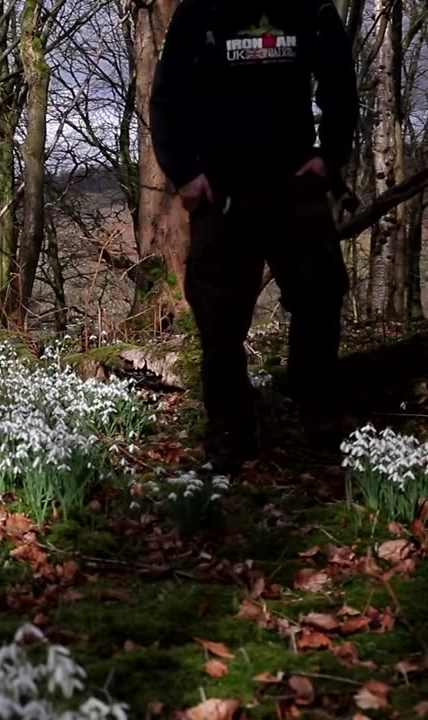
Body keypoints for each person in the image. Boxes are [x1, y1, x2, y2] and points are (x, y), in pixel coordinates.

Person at [150, 0, 359, 473]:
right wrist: (183, 172)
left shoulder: (311, 8)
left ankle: (317, 413)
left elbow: (340, 84)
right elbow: (167, 96)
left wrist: (331, 155)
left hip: (295, 181)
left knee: (319, 295)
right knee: (219, 317)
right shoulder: (199, 12)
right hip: (221, 189)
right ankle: (229, 430)